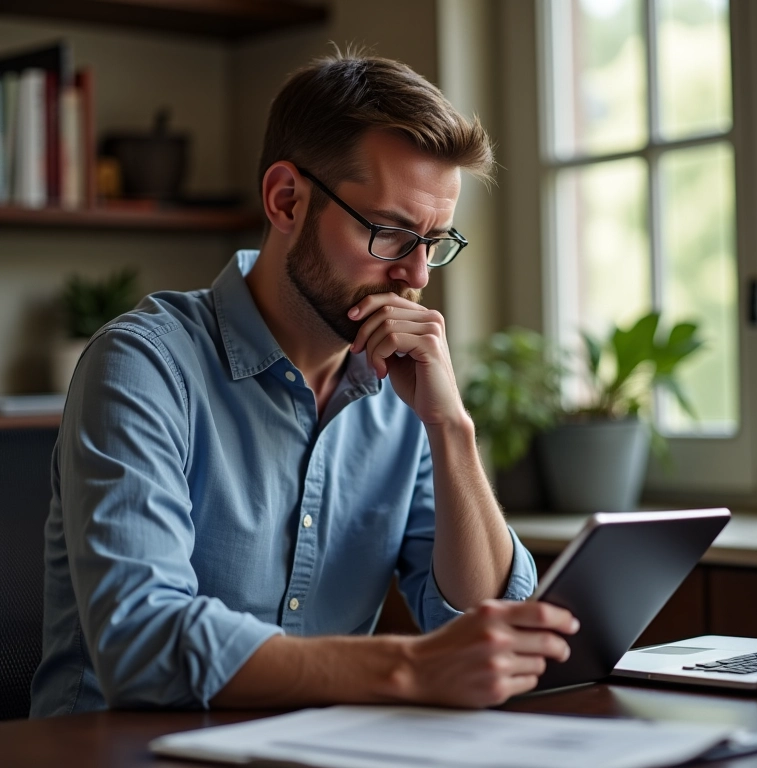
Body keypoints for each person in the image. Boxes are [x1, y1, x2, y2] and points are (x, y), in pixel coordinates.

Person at [30, 49, 578, 717]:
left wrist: (450, 429)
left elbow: (486, 623)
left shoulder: (403, 389)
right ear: (287, 200)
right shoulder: (143, 366)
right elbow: (142, 645)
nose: (417, 277)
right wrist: (406, 667)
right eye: (391, 233)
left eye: (435, 241)